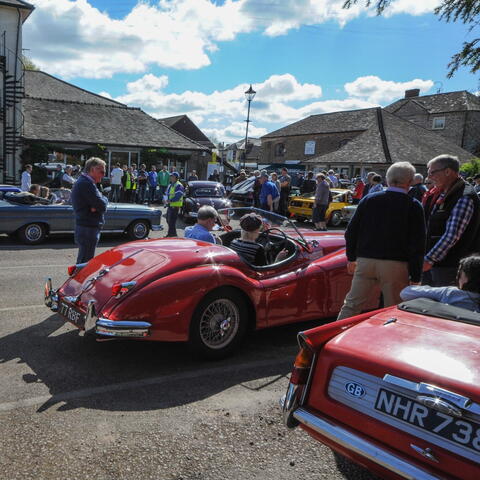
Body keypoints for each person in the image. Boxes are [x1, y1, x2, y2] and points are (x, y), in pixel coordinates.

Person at [337, 161, 426, 321]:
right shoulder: (413, 206)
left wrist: (351, 257)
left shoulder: (369, 200)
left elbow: (351, 231)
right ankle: (387, 343)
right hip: (396, 264)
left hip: (365, 260)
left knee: (351, 304)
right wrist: (416, 275)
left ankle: (331, 338)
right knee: (393, 309)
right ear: (410, 181)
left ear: (387, 179)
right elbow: (417, 244)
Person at [423, 154, 480, 287]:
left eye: (432, 172)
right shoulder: (446, 192)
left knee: (441, 306)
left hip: (449, 266)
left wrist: (429, 259)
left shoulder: (464, 196)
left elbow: (452, 235)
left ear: (447, 171)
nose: (429, 177)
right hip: (440, 263)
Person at [401, 255, 480, 312]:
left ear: (467, 278)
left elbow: (405, 293)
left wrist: (434, 301)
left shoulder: (449, 293)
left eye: (460, 273)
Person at [71, 157, 108, 264]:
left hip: (87, 227)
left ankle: (80, 280)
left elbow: (101, 203)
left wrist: (101, 200)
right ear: (93, 169)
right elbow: (102, 206)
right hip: (87, 228)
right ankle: (79, 281)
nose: (103, 174)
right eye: (102, 171)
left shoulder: (87, 182)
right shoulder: (86, 184)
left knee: (84, 261)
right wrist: (101, 201)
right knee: (84, 264)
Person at [165, 171, 184, 237]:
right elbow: (167, 193)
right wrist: (164, 199)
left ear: (176, 178)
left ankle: (171, 235)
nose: (170, 177)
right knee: (168, 220)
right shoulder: (171, 185)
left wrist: (170, 200)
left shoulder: (179, 185)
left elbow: (178, 195)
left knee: (171, 221)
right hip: (170, 205)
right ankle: (173, 234)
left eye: (172, 176)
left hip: (175, 206)